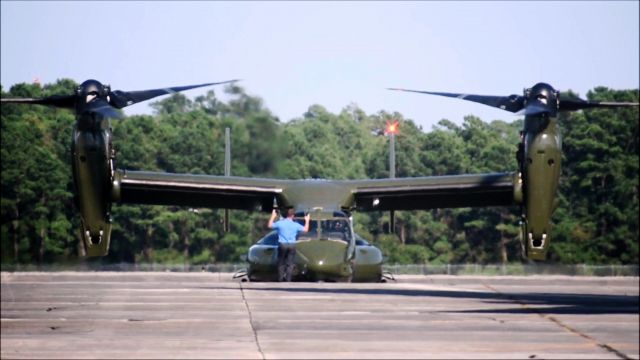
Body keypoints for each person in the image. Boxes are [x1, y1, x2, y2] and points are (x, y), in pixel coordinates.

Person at [268, 208, 310, 282]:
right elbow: (306, 229)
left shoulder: (280, 223)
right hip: (292, 244)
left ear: (286, 215)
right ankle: (288, 279)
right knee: (290, 263)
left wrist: (273, 216)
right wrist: (307, 220)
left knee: (281, 262)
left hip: (282, 244)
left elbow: (270, 225)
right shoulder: (295, 225)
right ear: (293, 216)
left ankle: (280, 279)